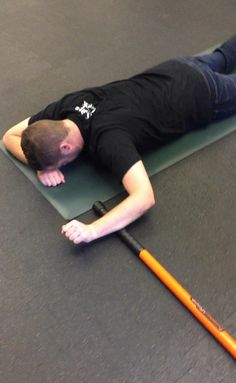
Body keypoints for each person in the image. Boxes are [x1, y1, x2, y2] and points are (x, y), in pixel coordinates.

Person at [2, 35, 236, 246]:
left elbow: (144, 197)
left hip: (203, 93)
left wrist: (92, 230)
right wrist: (40, 166)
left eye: (61, 164)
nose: (63, 168)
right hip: (176, 68)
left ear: (65, 147)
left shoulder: (108, 140)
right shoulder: (68, 105)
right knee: (225, 55)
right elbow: (10, 136)